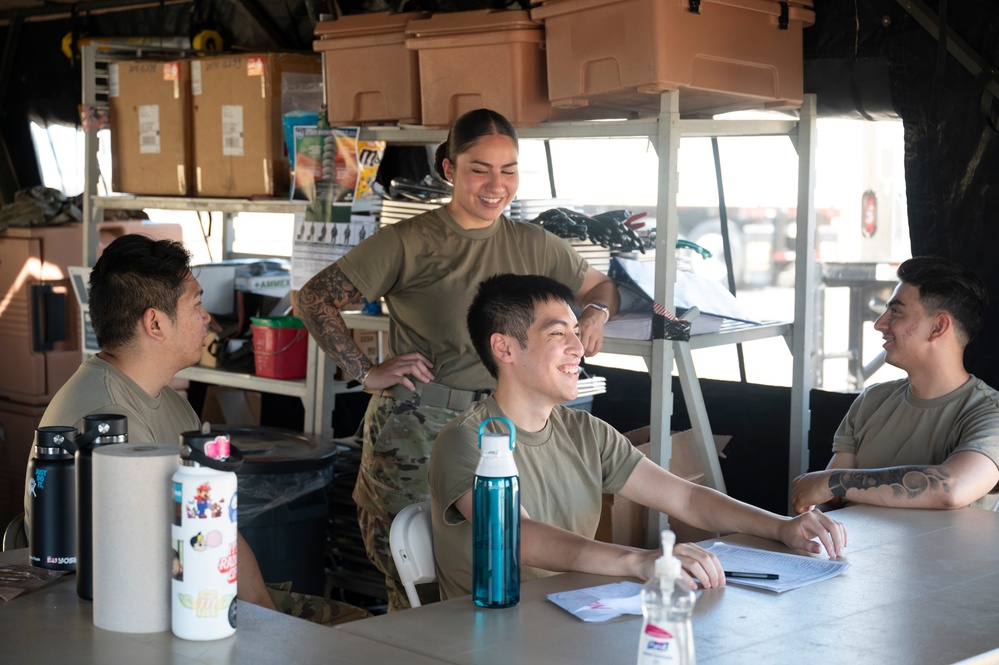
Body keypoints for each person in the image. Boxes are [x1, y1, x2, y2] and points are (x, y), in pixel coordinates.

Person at [295, 109, 620, 611]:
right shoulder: (410, 241)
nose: (496, 184)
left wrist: (595, 313)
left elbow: (601, 285)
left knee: (505, 575)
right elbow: (314, 298)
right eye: (479, 168)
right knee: (413, 586)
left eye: (508, 169)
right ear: (448, 169)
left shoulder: (533, 244)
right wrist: (365, 370)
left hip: (500, 433)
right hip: (418, 430)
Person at [428, 274, 847, 599]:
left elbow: (685, 498)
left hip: (573, 615)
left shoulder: (585, 431)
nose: (579, 346)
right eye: (558, 334)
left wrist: (782, 527)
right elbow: (514, 536)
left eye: (578, 331)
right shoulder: (468, 440)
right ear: (504, 348)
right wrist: (641, 561)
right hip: (490, 632)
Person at [27, 234, 368, 625]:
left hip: (194, 583)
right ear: (154, 322)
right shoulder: (107, 425)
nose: (207, 318)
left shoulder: (171, 404)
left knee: (360, 628)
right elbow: (137, 567)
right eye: (197, 303)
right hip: (145, 608)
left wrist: (268, 615)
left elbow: (217, 526)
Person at [792, 256, 999, 513]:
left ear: (938, 327)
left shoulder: (990, 412)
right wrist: (813, 517)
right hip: (851, 551)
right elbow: (826, 498)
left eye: (896, 312)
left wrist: (833, 482)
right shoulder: (871, 401)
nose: (880, 324)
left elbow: (952, 488)